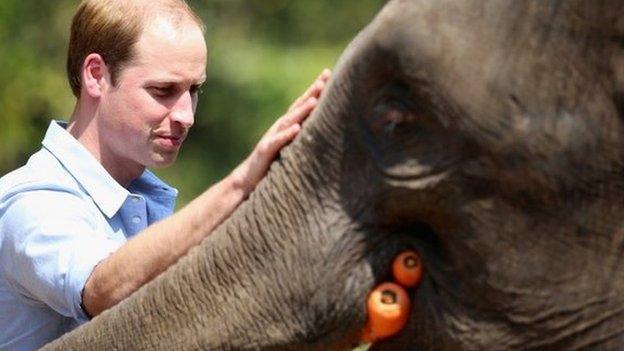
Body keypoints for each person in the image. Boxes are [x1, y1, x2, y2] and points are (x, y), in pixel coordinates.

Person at [0, 0, 331, 349]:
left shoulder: (140, 200)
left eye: (193, 91)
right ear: (96, 75)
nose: (186, 116)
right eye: (163, 91)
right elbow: (102, 289)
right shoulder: (31, 202)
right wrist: (240, 183)